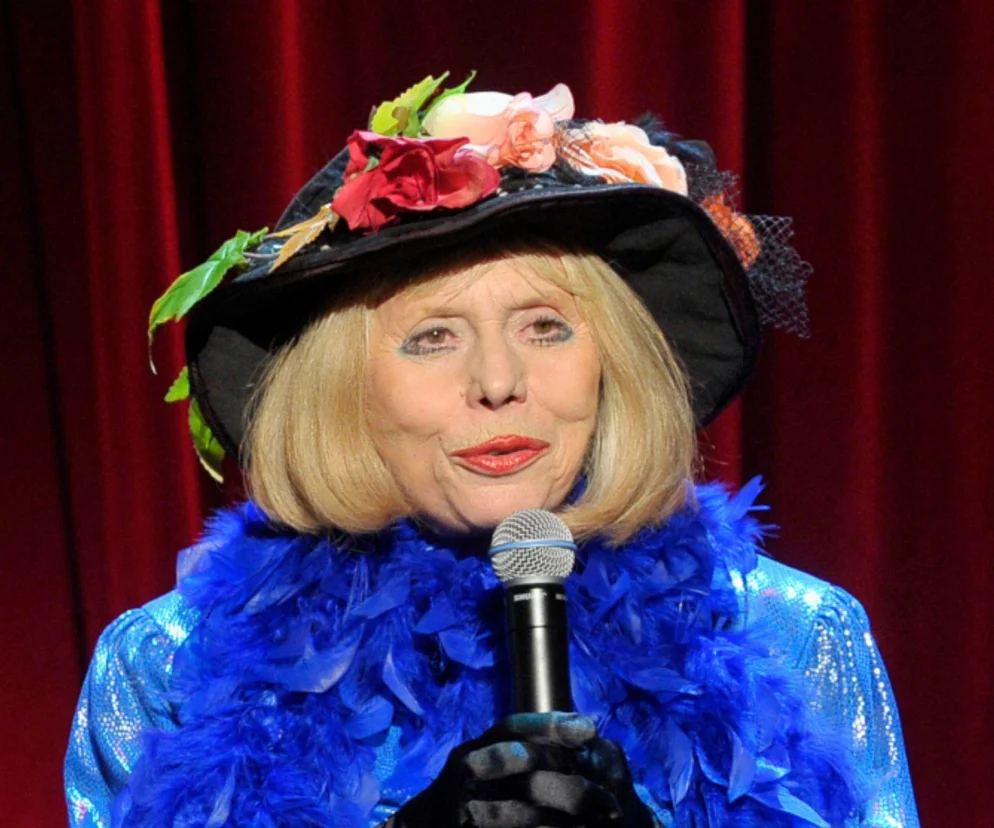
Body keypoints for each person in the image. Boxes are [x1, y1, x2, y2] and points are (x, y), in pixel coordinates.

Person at [64, 77, 920, 827]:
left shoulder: (795, 631)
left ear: (613, 363)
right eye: (433, 337)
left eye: (545, 327)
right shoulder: (164, 665)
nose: (500, 383)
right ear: (342, 389)